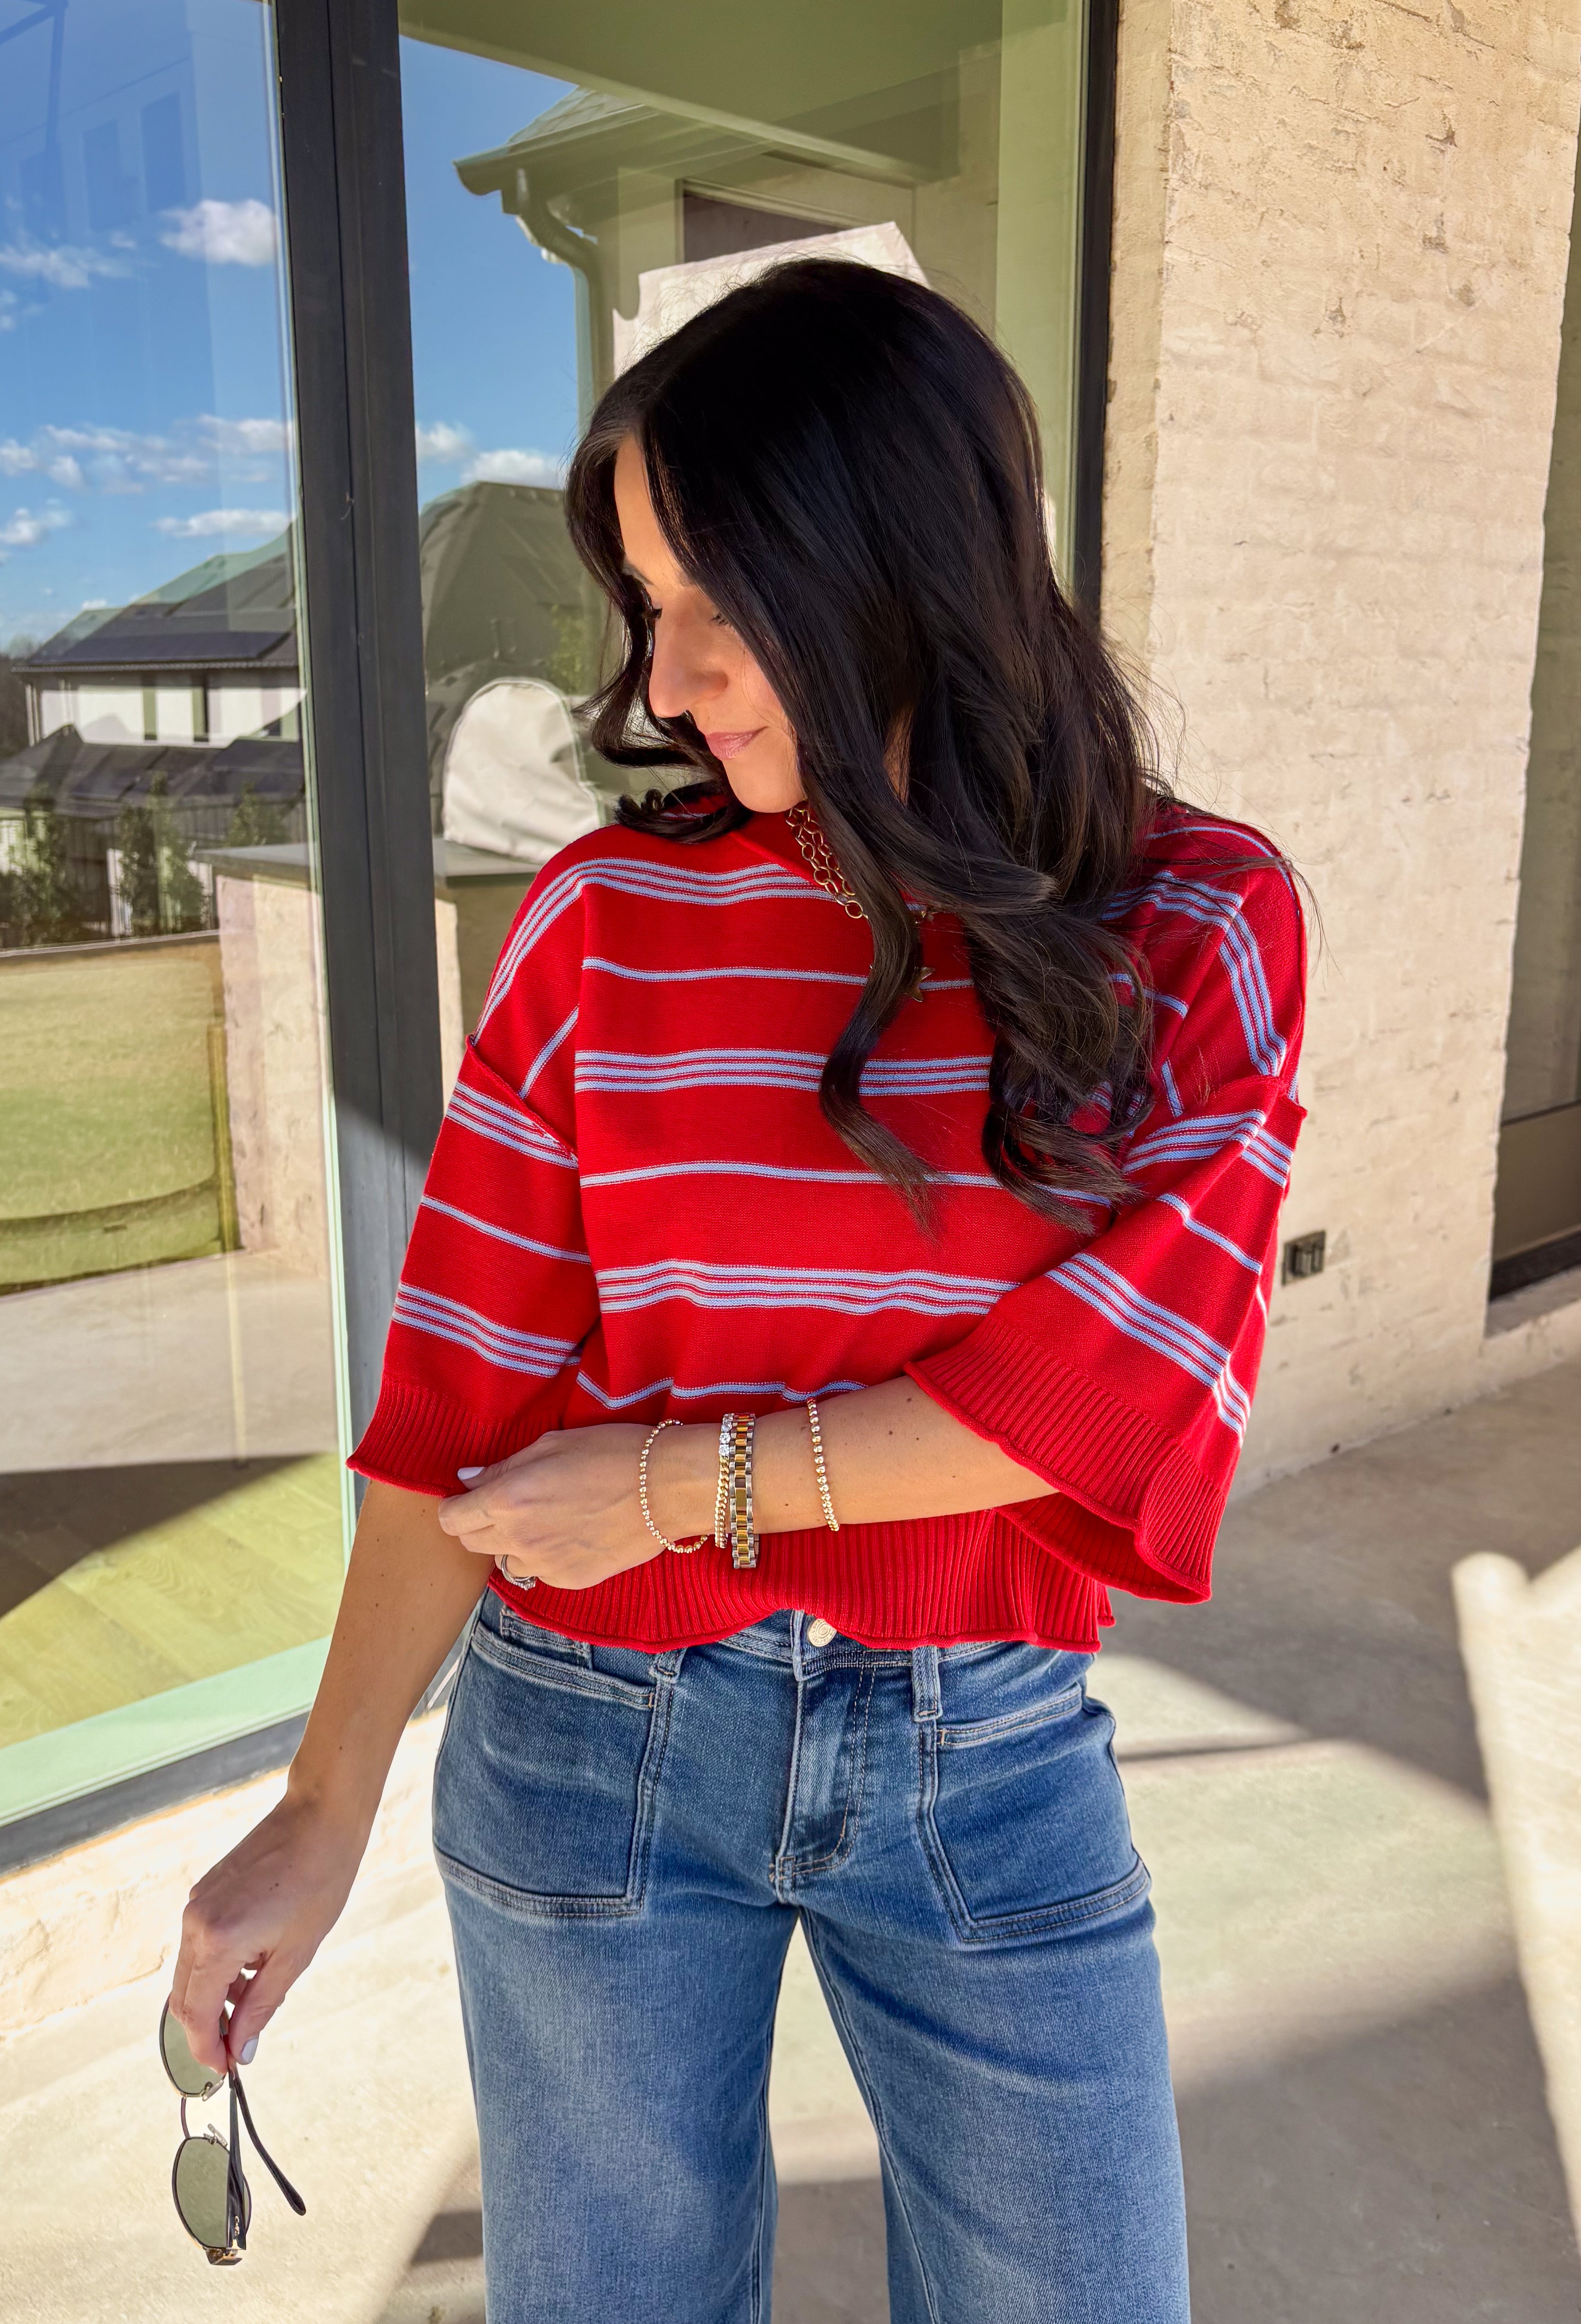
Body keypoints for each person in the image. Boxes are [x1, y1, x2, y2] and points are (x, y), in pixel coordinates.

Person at [170, 258, 1306, 2324]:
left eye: (716, 606)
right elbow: (458, 1410)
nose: (668, 681)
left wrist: (682, 1491)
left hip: (990, 1749)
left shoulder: (1199, 921)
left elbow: (1109, 1392)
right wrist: (317, 1811)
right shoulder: (604, 925)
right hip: (584, 1744)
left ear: (897, 573)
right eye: (645, 612)